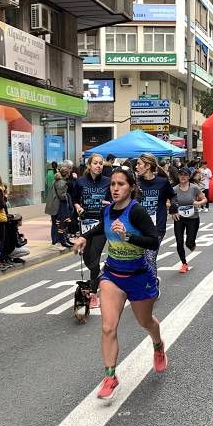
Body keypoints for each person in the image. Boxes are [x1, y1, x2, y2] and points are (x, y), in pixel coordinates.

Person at [73, 165, 165, 401]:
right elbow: (100, 228)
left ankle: (157, 344)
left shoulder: (137, 212)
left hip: (138, 276)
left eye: (120, 184)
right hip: (113, 274)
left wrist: (128, 236)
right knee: (107, 327)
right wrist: (84, 237)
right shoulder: (108, 211)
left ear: (131, 187)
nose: (115, 188)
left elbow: (153, 242)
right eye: (112, 184)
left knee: (145, 322)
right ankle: (110, 376)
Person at [71, 153, 111, 308]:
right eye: (95, 163)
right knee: (88, 259)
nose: (99, 166)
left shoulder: (108, 182)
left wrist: (109, 204)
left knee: (94, 256)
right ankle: (100, 276)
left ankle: (93, 294)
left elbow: (114, 199)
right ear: (89, 165)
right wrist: (78, 207)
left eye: (101, 163)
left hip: (101, 224)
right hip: (85, 222)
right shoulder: (80, 182)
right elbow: (74, 199)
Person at [135, 153, 175, 277]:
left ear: (147, 166)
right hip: (139, 228)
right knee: (140, 259)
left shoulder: (162, 182)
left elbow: (173, 196)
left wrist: (174, 208)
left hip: (157, 228)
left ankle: (152, 287)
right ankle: (147, 283)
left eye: (139, 164)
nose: (136, 167)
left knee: (150, 257)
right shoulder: (136, 183)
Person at [170, 165, 206, 274]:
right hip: (179, 218)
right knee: (179, 241)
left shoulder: (194, 188)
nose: (183, 176)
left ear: (189, 177)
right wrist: (172, 207)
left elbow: (204, 199)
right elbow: (167, 201)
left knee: (189, 243)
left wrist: (198, 203)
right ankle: (184, 263)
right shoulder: (174, 189)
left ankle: (192, 244)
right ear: (178, 176)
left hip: (193, 218)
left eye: (185, 175)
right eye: (181, 174)